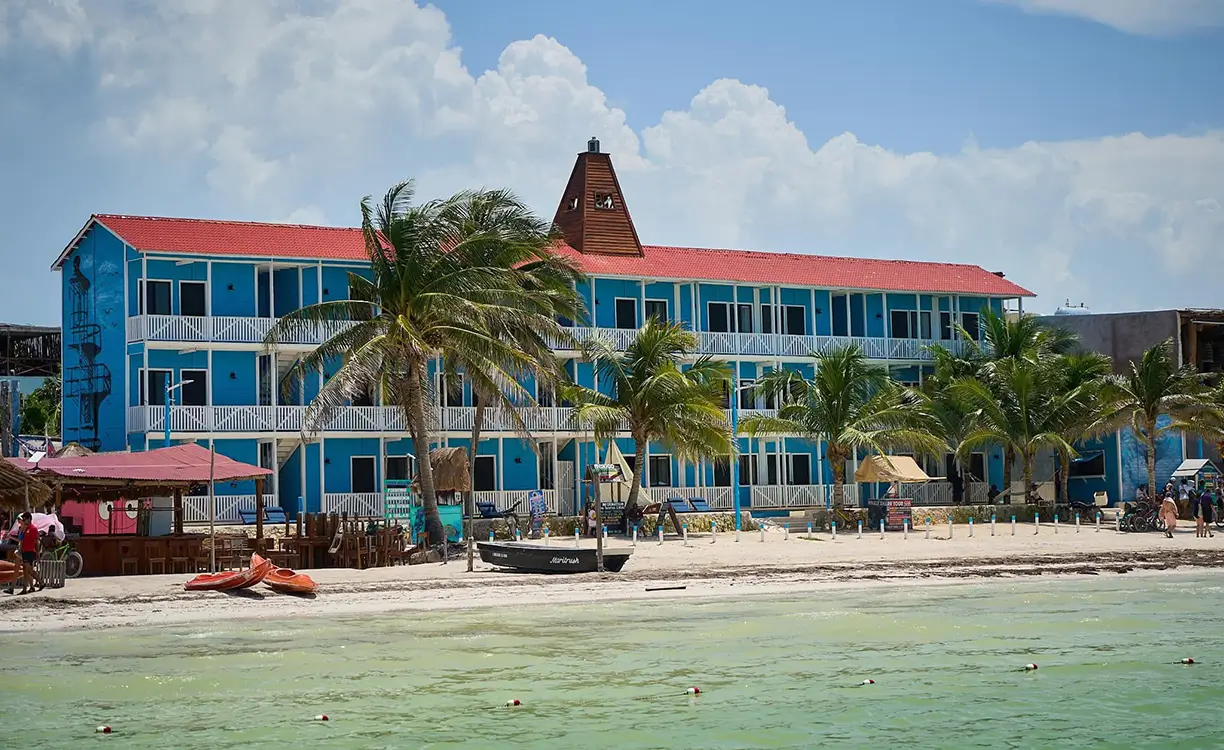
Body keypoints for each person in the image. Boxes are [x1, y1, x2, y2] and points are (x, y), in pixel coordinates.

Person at [16, 513, 44, 594]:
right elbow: (20, 539)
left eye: (25, 519)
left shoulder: (33, 529)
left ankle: (41, 582)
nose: (24, 521)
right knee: (26, 570)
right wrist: (21, 530)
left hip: (30, 551)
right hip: (24, 551)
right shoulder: (25, 528)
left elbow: (37, 542)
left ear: (29, 519)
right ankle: (25, 589)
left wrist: (38, 553)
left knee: (29, 569)